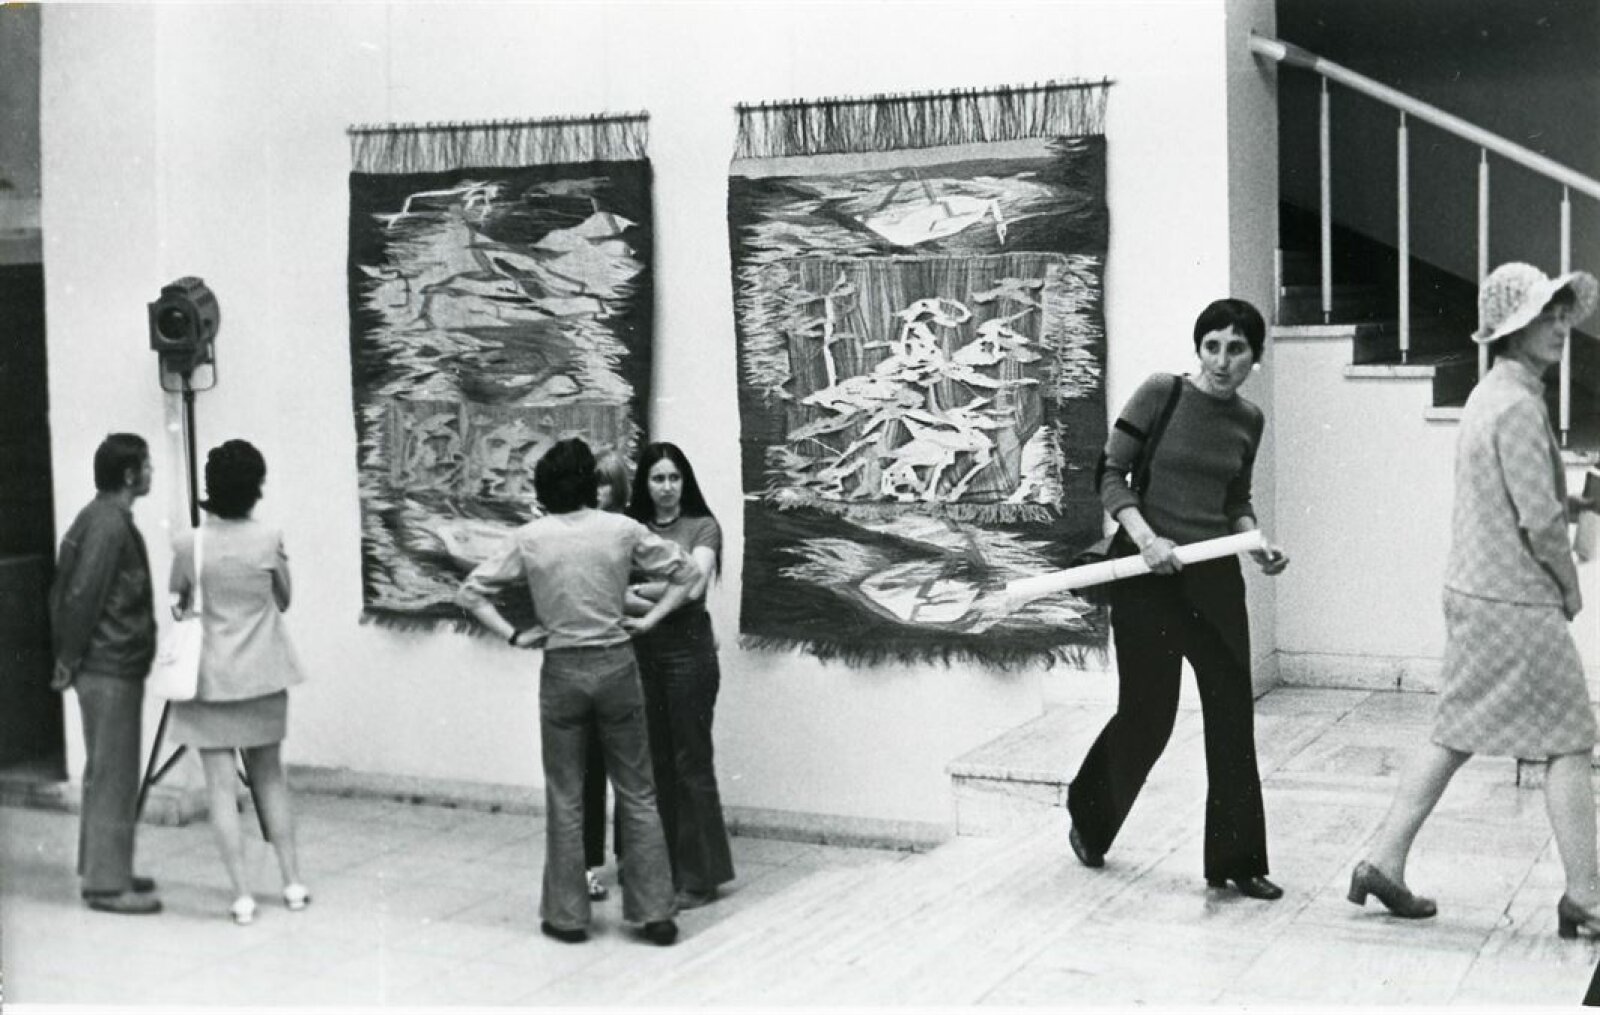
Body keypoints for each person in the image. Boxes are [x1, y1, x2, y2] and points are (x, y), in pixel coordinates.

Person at [1350, 262, 1600, 932]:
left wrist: (1578, 503)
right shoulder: (1517, 405)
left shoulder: (1493, 394)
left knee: (1455, 731)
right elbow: (1537, 522)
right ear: (1511, 329)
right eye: (1543, 316)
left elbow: (1516, 498)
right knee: (1571, 739)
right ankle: (1586, 897)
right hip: (1515, 599)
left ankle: (1382, 860)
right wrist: (1570, 588)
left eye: (1561, 313)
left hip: (1478, 590)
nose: (1559, 326)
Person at [1066, 299, 1290, 900]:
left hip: (1213, 580)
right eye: (1212, 346)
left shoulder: (1249, 420)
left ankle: (1239, 862)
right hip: (1147, 576)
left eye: (1236, 349)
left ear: (1254, 358)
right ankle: (1090, 817)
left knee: (1232, 716)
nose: (1222, 360)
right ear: (1198, 348)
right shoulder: (1160, 393)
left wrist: (1255, 542)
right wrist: (1147, 539)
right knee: (1149, 715)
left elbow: (1234, 499)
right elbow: (1108, 473)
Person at [457, 437, 694, 946]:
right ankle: (656, 913)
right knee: (638, 791)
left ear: (544, 488)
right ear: (590, 483)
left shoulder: (531, 537)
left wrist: (514, 635)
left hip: (562, 671)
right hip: (617, 666)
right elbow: (687, 572)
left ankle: (568, 917)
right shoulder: (622, 529)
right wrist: (650, 619)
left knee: (566, 796)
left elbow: (470, 592)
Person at [168, 440, 309, 925]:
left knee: (221, 789)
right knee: (271, 779)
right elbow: (284, 599)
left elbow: (178, 601)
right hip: (263, 675)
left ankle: (243, 895)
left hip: (208, 680)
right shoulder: (270, 538)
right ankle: (292, 882)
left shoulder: (188, 543)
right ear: (256, 487)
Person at [49, 433, 163, 915]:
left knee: (107, 772)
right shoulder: (109, 525)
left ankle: (104, 868)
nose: (152, 472)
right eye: (147, 465)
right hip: (108, 666)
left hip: (108, 666)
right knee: (114, 775)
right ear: (129, 475)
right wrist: (68, 658)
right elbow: (82, 596)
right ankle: (106, 885)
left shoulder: (98, 518)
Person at [624, 442, 735, 909]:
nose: (667, 487)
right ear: (645, 484)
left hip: (689, 651)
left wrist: (643, 591)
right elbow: (613, 590)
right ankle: (662, 870)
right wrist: (667, 586)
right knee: (654, 762)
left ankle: (699, 878)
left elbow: (693, 587)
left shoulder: (703, 526)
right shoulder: (631, 528)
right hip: (643, 651)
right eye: (658, 478)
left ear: (684, 481)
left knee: (691, 760)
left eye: (674, 478)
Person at [580, 449, 633, 901]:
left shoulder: (632, 533)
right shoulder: (570, 532)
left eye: (605, 482)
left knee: (631, 767)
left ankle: (631, 858)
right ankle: (584, 865)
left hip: (627, 660)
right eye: (592, 482)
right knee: (587, 769)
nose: (598, 491)